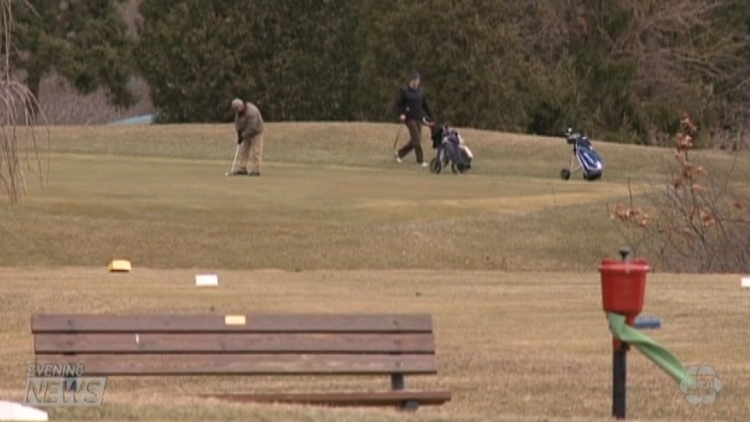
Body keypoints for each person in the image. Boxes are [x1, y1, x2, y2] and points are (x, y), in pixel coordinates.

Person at [395, 70, 434, 166]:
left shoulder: (420, 92)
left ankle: (400, 153)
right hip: (409, 118)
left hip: (419, 118)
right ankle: (420, 160)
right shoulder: (405, 91)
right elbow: (398, 104)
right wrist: (401, 114)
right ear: (411, 81)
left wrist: (432, 117)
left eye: (418, 80)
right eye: (414, 80)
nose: (416, 82)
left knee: (415, 140)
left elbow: (425, 105)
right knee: (416, 139)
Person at [231, 98, 265, 176]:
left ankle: (256, 170)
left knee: (256, 151)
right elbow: (237, 123)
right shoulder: (239, 113)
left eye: (236, 109)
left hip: (256, 132)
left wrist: (243, 135)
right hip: (246, 132)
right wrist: (239, 133)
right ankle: (242, 168)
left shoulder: (252, 111)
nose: (236, 111)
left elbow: (252, 127)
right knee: (244, 151)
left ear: (240, 106)